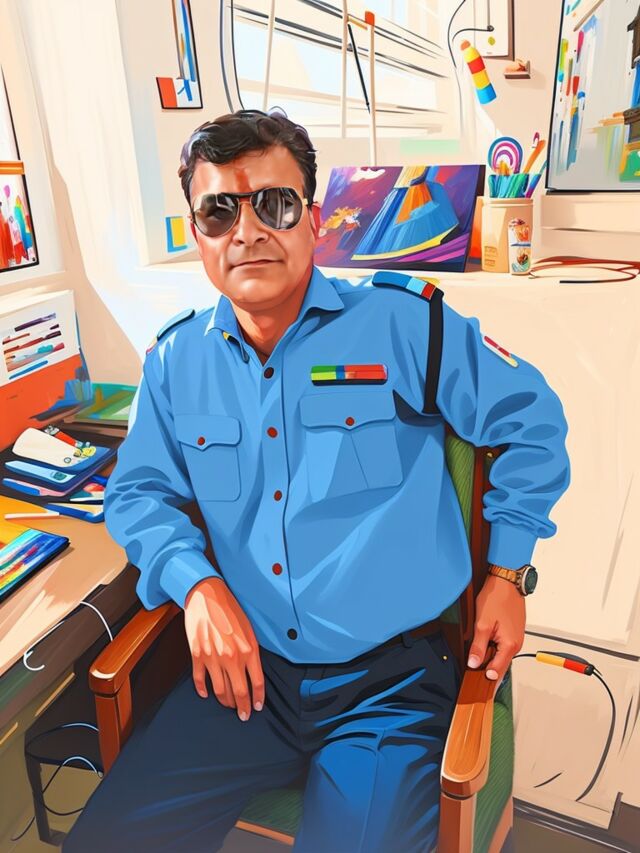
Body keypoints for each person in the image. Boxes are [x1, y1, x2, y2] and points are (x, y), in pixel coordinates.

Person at [64, 108, 570, 853]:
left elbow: (531, 420)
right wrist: (195, 585)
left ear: (314, 217)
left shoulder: (403, 324)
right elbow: (140, 493)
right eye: (219, 211)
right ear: (198, 233)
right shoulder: (174, 361)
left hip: (389, 687)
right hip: (245, 680)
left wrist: (507, 571)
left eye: (273, 203)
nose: (246, 231)